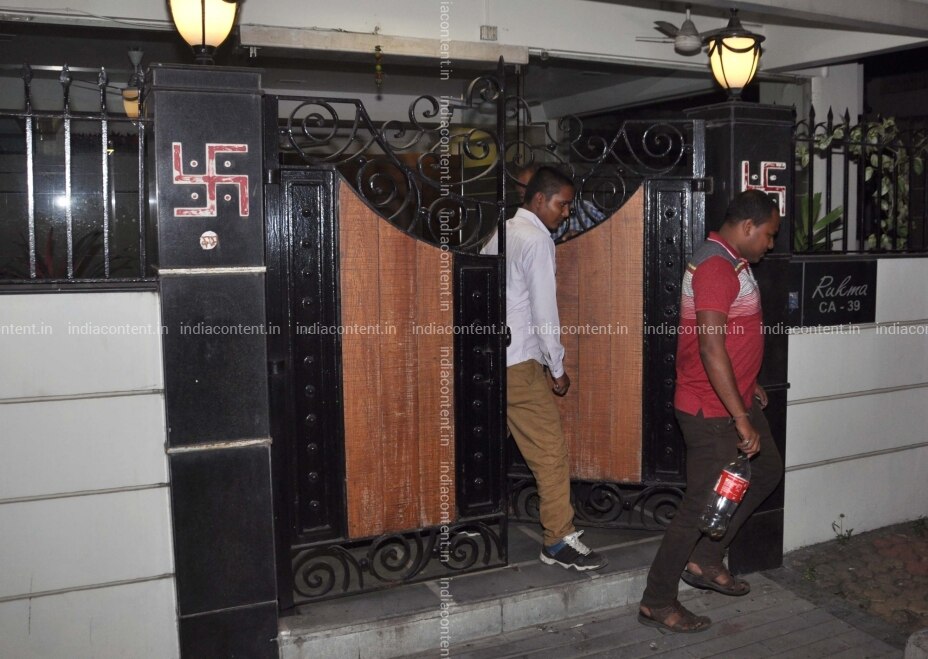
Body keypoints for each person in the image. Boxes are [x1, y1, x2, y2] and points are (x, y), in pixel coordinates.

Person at [638, 190, 785, 632]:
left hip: (734, 398)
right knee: (698, 506)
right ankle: (657, 600)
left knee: (766, 471)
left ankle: (705, 558)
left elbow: (734, 334)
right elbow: (710, 346)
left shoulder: (728, 260)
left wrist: (748, 381)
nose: (771, 244)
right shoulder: (717, 267)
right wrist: (740, 417)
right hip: (712, 409)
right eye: (769, 235)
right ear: (747, 227)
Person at [482, 166, 606, 571]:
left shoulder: (502, 231)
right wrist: (557, 365)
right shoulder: (536, 239)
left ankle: (470, 522)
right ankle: (557, 540)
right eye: (562, 204)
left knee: (483, 446)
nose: (566, 212)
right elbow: (544, 310)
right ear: (539, 199)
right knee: (550, 452)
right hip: (520, 361)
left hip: (490, 357)